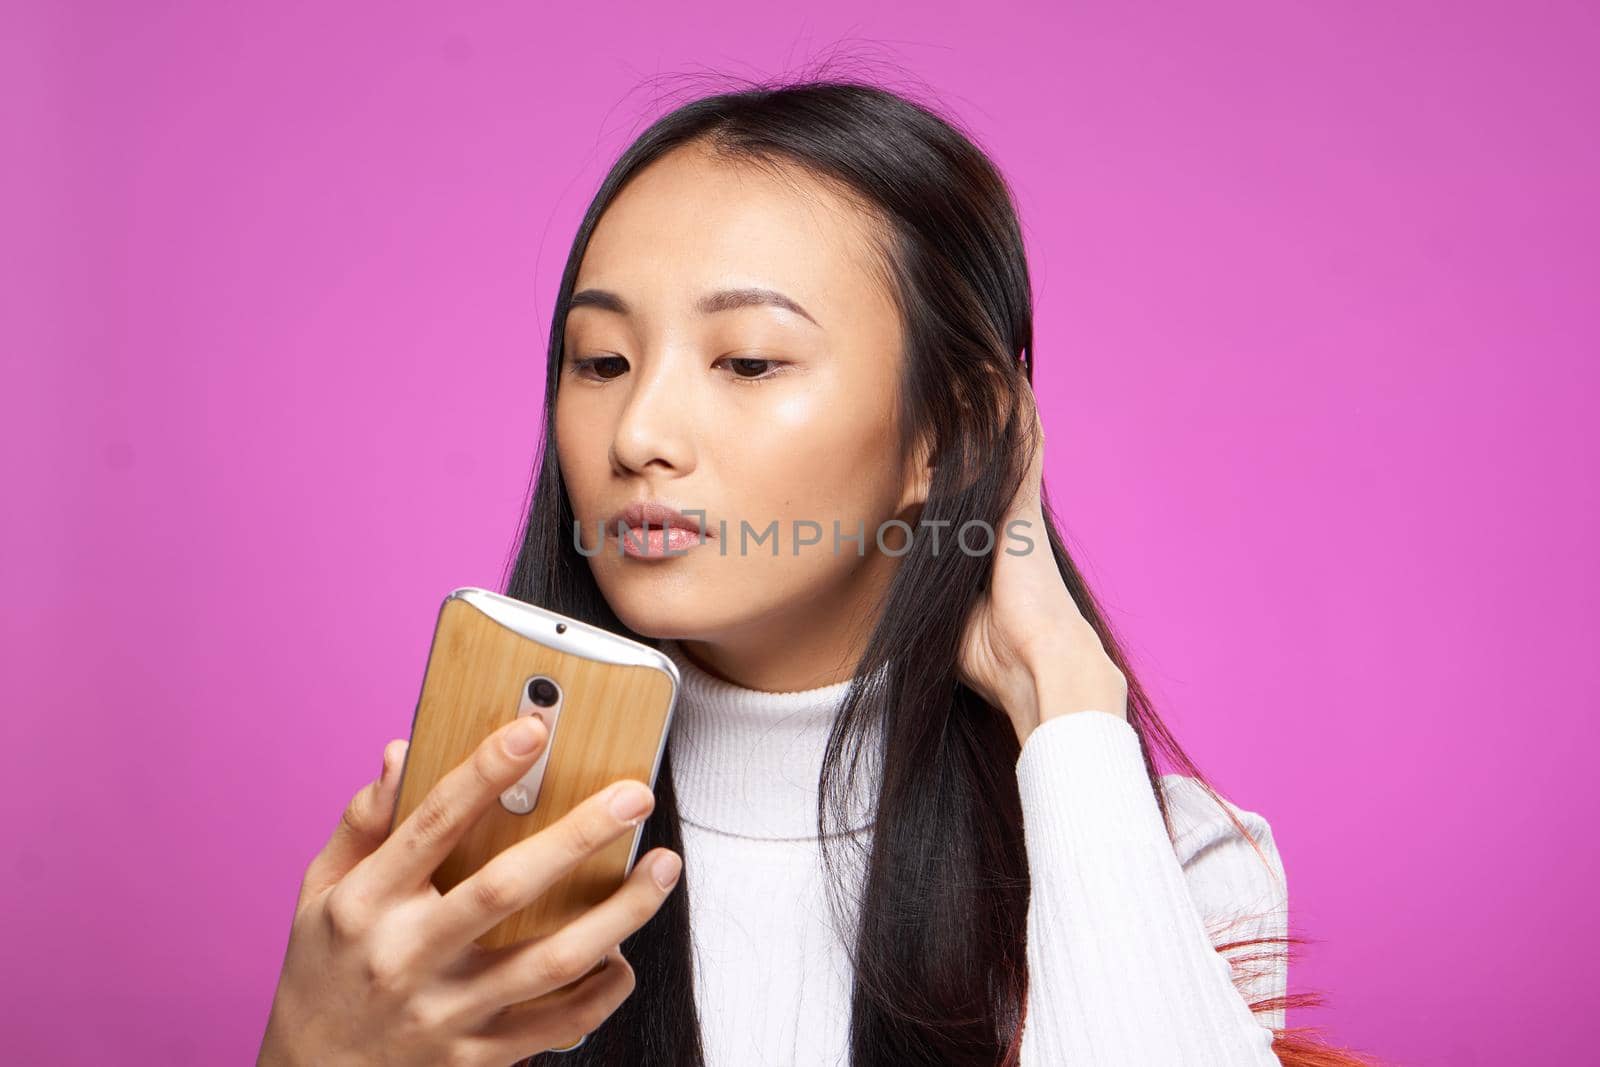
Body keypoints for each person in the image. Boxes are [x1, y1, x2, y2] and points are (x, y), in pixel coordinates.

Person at [259, 77, 1375, 1066]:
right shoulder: (454, 873)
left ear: (947, 430)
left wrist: (1069, 710)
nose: (637, 431)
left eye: (746, 360)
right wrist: (311, 1052)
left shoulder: (1164, 856)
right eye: (599, 360)